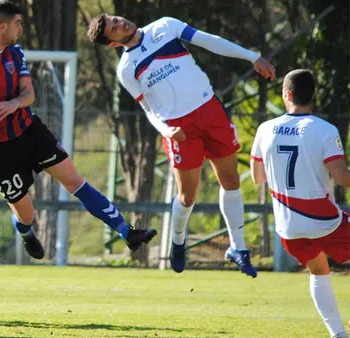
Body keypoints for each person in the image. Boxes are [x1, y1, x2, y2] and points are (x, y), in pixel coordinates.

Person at [0, 0, 157, 263]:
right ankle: (25, 231)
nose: (20, 29)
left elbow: (29, 94)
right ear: (2, 26)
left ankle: (127, 232)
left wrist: (14, 103)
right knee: (27, 213)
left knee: (74, 181)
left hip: (30, 131)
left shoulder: (15, 53)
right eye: (17, 24)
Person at [87, 14, 277, 277]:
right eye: (114, 28)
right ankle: (178, 241)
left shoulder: (165, 26)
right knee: (188, 196)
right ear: (112, 43)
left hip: (210, 110)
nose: (121, 24)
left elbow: (211, 42)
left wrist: (251, 57)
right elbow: (148, 109)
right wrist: (166, 130)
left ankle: (238, 248)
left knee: (231, 180)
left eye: (116, 19)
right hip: (179, 129)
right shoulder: (126, 69)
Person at [250, 69, 350, 338]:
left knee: (319, 271)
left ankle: (338, 334)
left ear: (287, 94)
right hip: (322, 220)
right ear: (312, 95)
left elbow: (258, 178)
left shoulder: (265, 129)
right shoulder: (324, 130)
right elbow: (343, 178)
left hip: (288, 227)